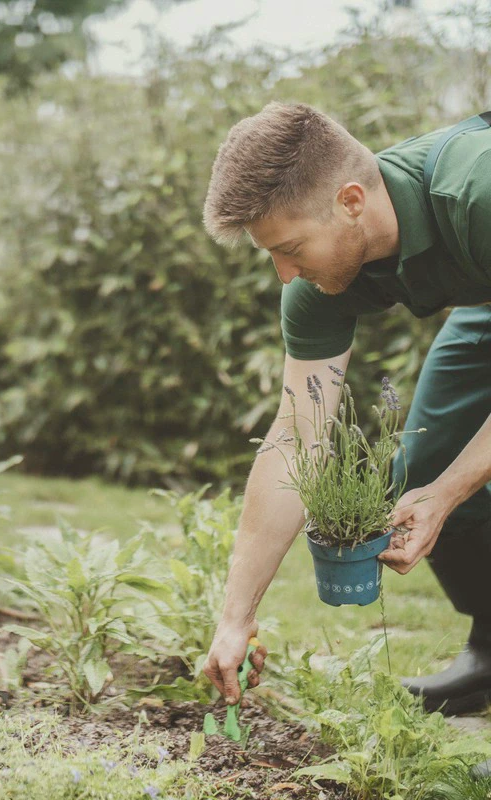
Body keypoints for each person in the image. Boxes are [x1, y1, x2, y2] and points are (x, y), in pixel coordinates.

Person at [201, 102, 491, 768]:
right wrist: (235, 616)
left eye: (289, 249)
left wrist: (445, 494)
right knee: (433, 455)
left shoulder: (476, 189)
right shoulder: (316, 287)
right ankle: (490, 651)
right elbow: (297, 436)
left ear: (352, 200)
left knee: (452, 479)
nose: (282, 273)